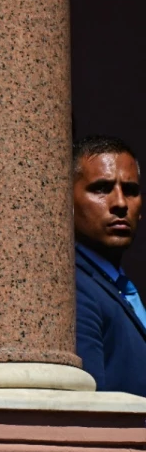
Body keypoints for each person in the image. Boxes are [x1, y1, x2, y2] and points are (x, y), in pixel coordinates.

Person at [73, 135, 146, 395]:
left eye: (131, 190)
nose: (120, 203)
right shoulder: (72, 286)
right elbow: (89, 412)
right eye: (101, 188)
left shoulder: (119, 286)